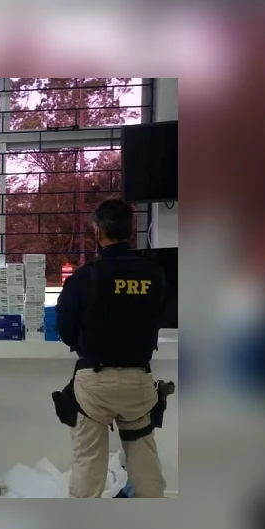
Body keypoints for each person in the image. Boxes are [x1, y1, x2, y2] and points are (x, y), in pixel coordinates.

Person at [55, 199, 168, 498]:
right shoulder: (155, 273)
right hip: (138, 385)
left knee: (88, 468)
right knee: (145, 468)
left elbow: (65, 331)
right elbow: (158, 316)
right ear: (130, 231)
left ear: (98, 231)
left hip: (95, 386)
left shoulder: (84, 277)